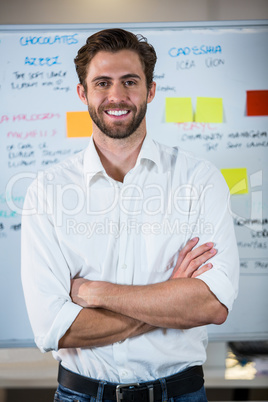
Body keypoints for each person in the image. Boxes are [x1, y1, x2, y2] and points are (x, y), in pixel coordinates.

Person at [21, 28, 239, 402]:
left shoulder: (199, 179)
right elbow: (53, 329)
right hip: (81, 395)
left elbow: (211, 305)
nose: (116, 96)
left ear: (150, 90)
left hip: (180, 394)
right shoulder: (47, 190)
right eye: (102, 83)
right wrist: (170, 298)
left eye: (130, 82)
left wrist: (94, 292)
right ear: (82, 93)